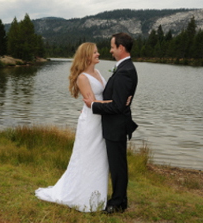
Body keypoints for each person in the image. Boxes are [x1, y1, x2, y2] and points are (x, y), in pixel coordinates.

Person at [35, 42, 110, 212]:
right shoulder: (82, 78)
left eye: (98, 52)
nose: (98, 54)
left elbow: (101, 96)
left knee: (100, 157)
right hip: (91, 122)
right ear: (87, 56)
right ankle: (81, 195)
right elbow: (92, 103)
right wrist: (116, 103)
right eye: (95, 52)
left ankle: (97, 195)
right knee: (87, 156)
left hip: (102, 120)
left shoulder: (97, 72)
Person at [84, 32, 138, 214]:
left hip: (116, 125)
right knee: (118, 164)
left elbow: (116, 106)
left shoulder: (125, 72)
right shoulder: (125, 68)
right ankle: (120, 199)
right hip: (115, 124)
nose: (110, 50)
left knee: (117, 166)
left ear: (121, 48)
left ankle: (117, 203)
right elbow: (119, 101)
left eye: (112, 47)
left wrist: (93, 106)